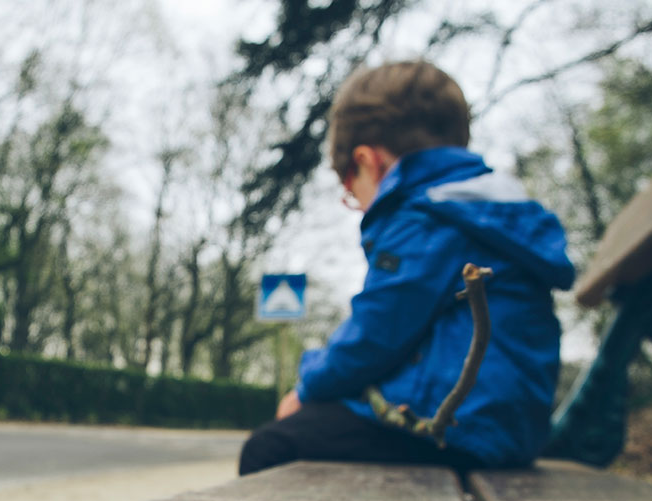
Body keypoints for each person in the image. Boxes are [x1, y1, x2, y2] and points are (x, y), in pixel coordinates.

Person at [239, 60, 575, 475]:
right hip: (507, 431)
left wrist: (305, 388)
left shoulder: (425, 216)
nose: (358, 204)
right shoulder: (488, 210)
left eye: (351, 190)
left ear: (368, 161)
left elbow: (375, 335)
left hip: (452, 429)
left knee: (271, 446)